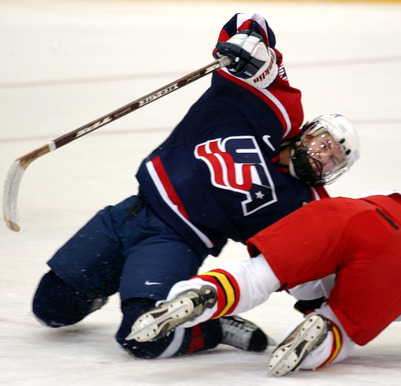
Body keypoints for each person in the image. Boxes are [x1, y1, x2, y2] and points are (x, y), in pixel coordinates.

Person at [31, 13, 361, 360]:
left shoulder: (305, 205)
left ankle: (214, 327)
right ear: (308, 130)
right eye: (324, 143)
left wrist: (329, 316)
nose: (323, 156)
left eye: (334, 159)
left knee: (142, 337)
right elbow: (249, 25)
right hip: (129, 212)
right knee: (51, 308)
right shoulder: (274, 112)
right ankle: (113, 280)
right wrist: (253, 49)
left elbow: (312, 266)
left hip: (175, 243)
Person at [126, 181, 401, 376]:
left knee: (257, 274)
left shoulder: (386, 199)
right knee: (341, 323)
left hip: (343, 212)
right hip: (396, 257)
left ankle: (204, 293)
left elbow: (340, 259)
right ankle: (322, 330)